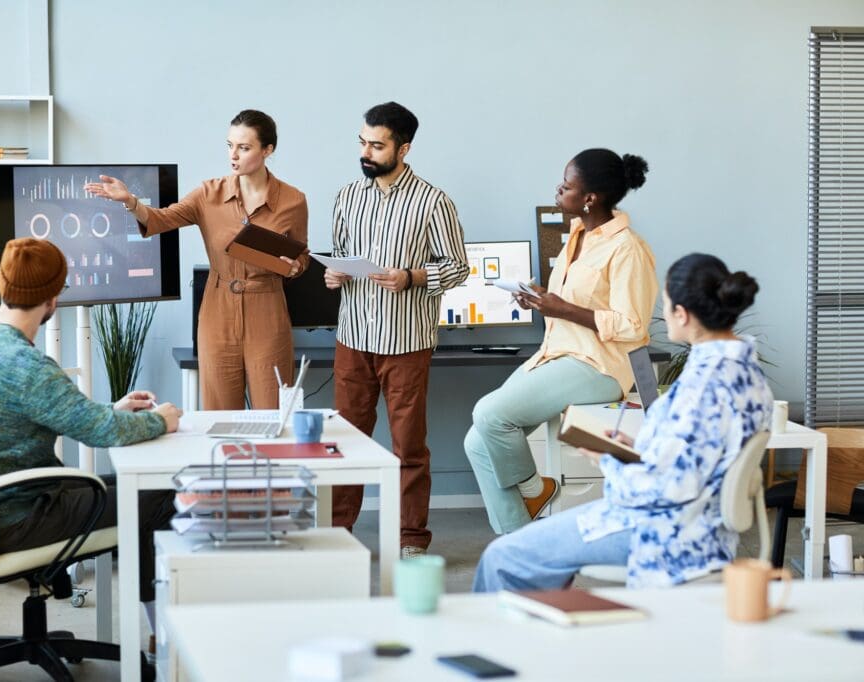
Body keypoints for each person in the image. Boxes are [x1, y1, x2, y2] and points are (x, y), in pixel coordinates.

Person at [473, 254, 773, 590]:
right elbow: (696, 461)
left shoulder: (702, 388)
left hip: (662, 532)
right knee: (534, 555)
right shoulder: (747, 374)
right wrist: (637, 450)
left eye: (665, 301)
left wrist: (610, 461)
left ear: (682, 314)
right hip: (704, 530)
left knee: (502, 557)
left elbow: (668, 489)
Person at [0, 237, 182, 623]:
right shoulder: (28, 366)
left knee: (139, 488)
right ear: (52, 298)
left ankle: (155, 628)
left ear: (3, 286)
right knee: (166, 496)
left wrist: (113, 409)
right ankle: (161, 632)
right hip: (23, 517)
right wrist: (161, 419)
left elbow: (68, 415)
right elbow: (101, 432)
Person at [464, 149, 657, 534]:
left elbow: (633, 325)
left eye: (567, 186)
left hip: (598, 365)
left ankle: (537, 490)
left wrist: (562, 309)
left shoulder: (627, 249)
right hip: (558, 354)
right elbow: (574, 304)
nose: (558, 190)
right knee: (477, 441)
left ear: (590, 198)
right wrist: (539, 300)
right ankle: (517, 540)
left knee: (490, 414)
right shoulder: (578, 237)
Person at [85, 110, 309, 409]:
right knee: (219, 411)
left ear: (268, 150)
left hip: (267, 310)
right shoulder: (208, 194)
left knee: (274, 411)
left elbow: (301, 255)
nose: (234, 155)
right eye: (230, 145)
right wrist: (131, 202)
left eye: (244, 148)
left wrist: (296, 267)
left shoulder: (293, 200)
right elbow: (161, 219)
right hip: (217, 310)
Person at [324, 102, 469, 558]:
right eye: (362, 142)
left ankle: (410, 540)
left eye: (377, 145)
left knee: (408, 447)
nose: (366, 152)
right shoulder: (347, 196)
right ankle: (337, 534)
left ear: (403, 148)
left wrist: (410, 277)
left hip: (406, 343)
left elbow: (458, 267)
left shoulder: (433, 201)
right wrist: (334, 275)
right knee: (344, 444)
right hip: (353, 339)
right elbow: (341, 255)